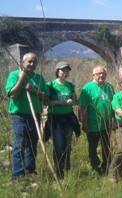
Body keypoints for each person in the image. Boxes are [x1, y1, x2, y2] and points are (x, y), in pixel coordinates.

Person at [6, 52, 49, 181]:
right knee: (20, 144)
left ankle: (30, 170)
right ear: (23, 62)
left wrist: (33, 90)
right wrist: (21, 79)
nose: (32, 64)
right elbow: (12, 94)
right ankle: (18, 175)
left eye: (34, 62)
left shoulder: (39, 78)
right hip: (19, 115)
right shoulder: (14, 75)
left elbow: (46, 98)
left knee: (32, 143)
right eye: (29, 61)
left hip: (35, 115)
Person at [79, 66, 115, 175]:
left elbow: (113, 104)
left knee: (106, 146)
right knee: (93, 147)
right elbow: (83, 107)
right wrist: (84, 123)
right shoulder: (87, 88)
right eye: (99, 74)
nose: (101, 75)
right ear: (93, 75)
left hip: (106, 123)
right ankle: (95, 166)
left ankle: (106, 166)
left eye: (103, 73)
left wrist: (114, 119)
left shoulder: (109, 87)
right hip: (93, 124)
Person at [46, 61, 79, 179]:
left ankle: (66, 166)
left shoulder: (70, 86)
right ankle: (58, 171)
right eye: (62, 70)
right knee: (58, 145)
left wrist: (73, 101)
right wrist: (62, 102)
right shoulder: (50, 85)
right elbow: (47, 102)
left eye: (67, 70)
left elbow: (75, 100)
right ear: (57, 71)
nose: (65, 72)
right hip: (55, 119)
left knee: (67, 145)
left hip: (68, 118)